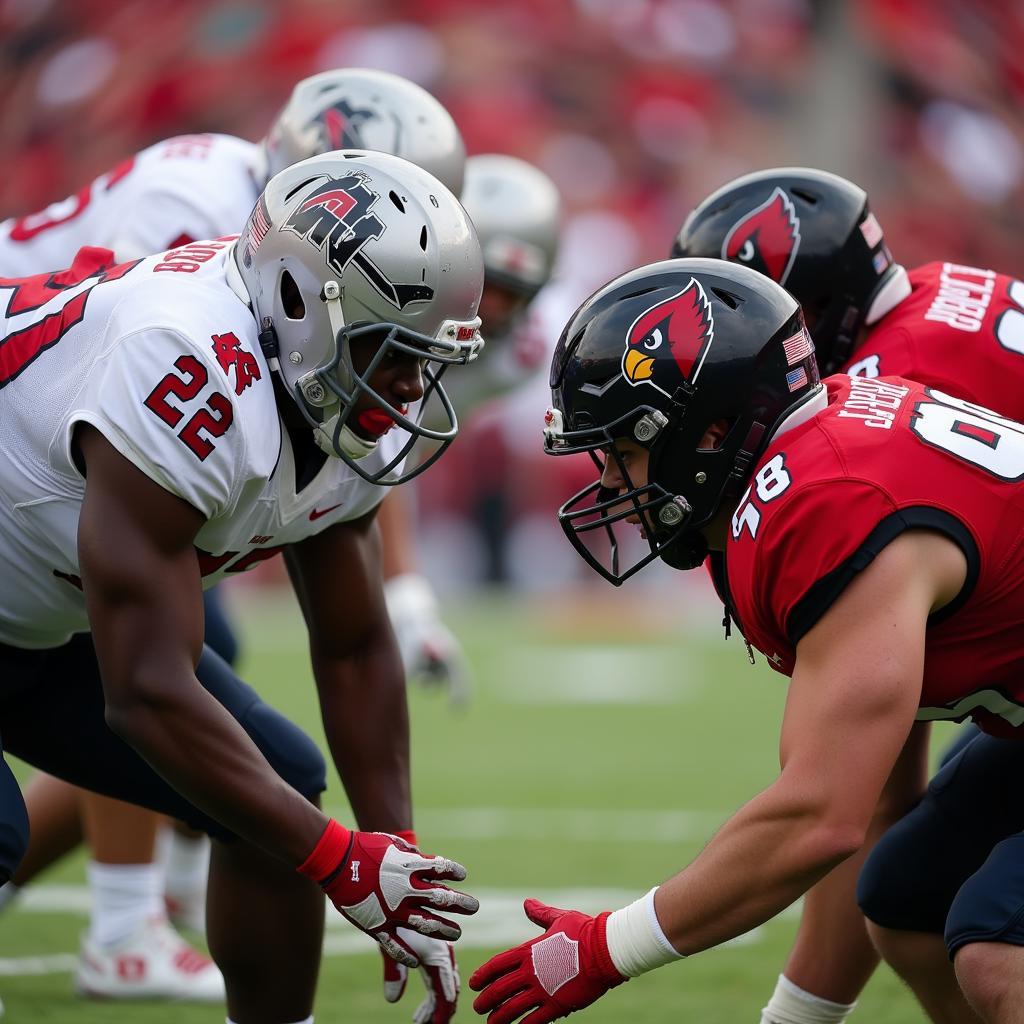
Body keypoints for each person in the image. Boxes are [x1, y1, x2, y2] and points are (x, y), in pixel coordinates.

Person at [0, 65, 468, 1003]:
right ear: (299, 304)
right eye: (390, 352)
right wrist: (342, 864)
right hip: (35, 598)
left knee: (277, 793)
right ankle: (125, 928)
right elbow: (144, 692)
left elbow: (351, 640)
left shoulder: (324, 391)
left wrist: (394, 861)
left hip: (29, 604)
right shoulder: (183, 364)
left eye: (424, 359)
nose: (410, 391)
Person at [469, 257, 1024, 1024]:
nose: (612, 488)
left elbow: (818, 816)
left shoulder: (827, 501)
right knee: (909, 901)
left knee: (999, 948)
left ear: (711, 429)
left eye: (623, 450)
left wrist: (602, 948)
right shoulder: (827, 441)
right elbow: (864, 806)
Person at [672, 166, 1021, 1023]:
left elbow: (860, 782)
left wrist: (797, 1016)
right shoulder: (935, 303)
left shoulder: (866, 412)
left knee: (995, 944)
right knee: (908, 899)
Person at [380, 153, 561, 704]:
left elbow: (393, 452)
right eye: (487, 281)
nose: (495, 308)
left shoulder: (522, 354)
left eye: (514, 291)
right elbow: (377, 450)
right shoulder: (393, 306)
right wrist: (409, 598)